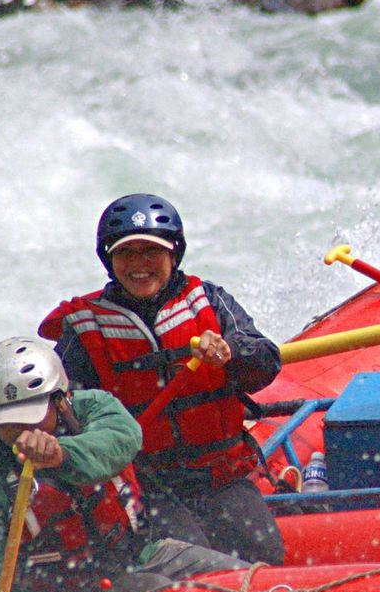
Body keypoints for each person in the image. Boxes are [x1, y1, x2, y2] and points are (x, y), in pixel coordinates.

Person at [0, 336, 250, 592]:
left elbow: (121, 441)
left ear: (60, 399)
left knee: (244, 581)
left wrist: (61, 454)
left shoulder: (94, 407)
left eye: (31, 415)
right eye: (9, 422)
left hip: (137, 555)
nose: (22, 430)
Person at [39, 193, 285, 564]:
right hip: (147, 484)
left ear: (174, 254)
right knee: (194, 560)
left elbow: (266, 361)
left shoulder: (209, 301)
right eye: (127, 253)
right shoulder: (85, 325)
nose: (139, 264)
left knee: (265, 553)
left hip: (220, 473)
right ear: (110, 260)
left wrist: (230, 354)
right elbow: (62, 410)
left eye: (150, 252)